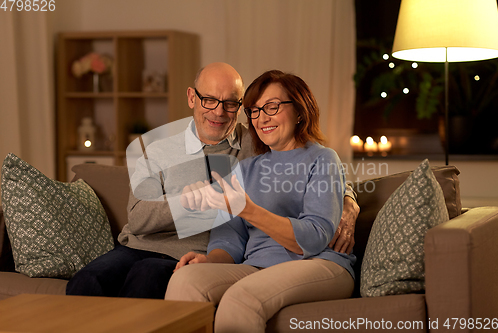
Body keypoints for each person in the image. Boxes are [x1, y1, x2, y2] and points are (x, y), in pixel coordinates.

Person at [66, 63, 359, 299]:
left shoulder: (254, 140)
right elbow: (138, 218)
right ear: (192, 97)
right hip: (138, 245)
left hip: (192, 252)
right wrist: (188, 202)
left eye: (230, 104)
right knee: (86, 281)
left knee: (147, 277)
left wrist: (348, 203)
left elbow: (310, 164)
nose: (219, 112)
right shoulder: (156, 148)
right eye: (209, 100)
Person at [166, 70, 356, 333]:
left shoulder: (323, 159)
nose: (261, 118)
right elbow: (229, 238)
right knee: (184, 280)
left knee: (241, 298)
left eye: (272, 107)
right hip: (257, 267)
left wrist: (249, 210)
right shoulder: (245, 169)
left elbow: (314, 238)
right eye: (254, 110)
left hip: (319, 263)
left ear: (300, 111)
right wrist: (210, 261)